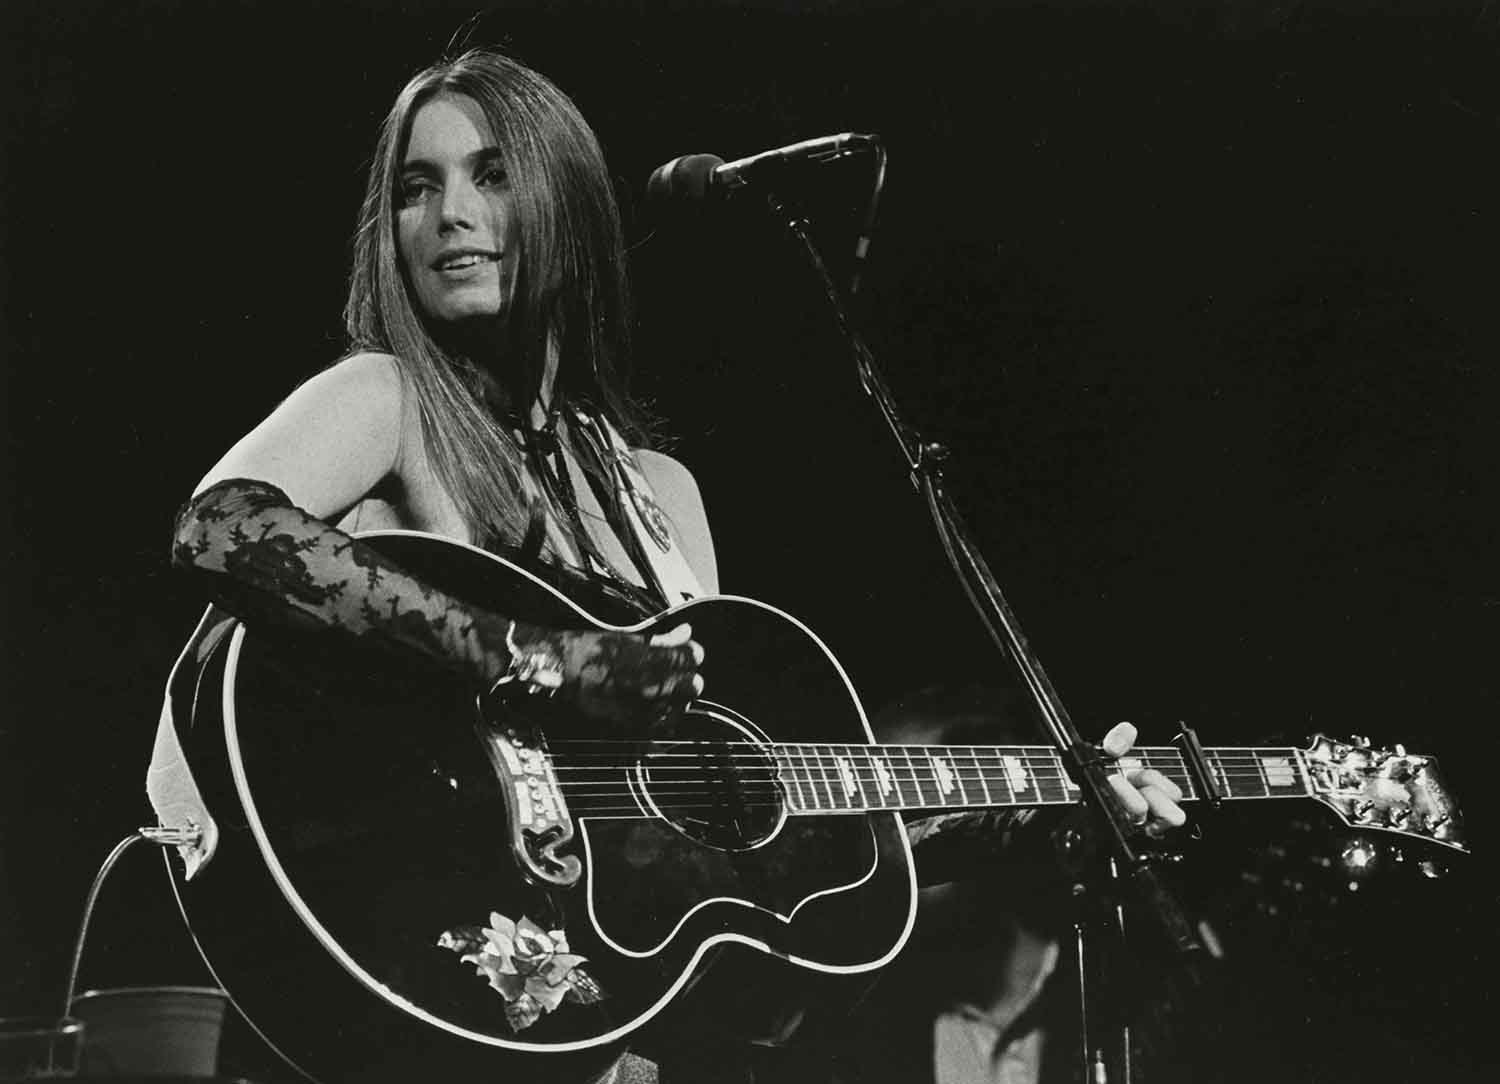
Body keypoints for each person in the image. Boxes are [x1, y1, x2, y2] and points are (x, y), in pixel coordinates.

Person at [160, 46, 1185, 1084]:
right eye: (415, 189)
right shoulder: (389, 397)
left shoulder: (662, 495)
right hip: (431, 948)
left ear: (568, 202)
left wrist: (1051, 796)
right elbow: (219, 526)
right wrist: (539, 656)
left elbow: (734, 842)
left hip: (615, 1034)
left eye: (492, 174)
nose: (449, 215)